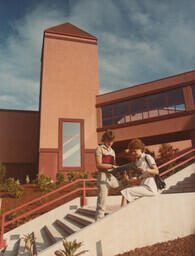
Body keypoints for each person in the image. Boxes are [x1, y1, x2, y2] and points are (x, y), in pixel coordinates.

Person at [121, 138, 159, 207]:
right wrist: (128, 180)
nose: (133, 153)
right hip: (143, 186)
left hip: (150, 188)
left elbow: (156, 171)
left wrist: (146, 170)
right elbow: (139, 179)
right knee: (128, 194)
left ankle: (120, 215)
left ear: (140, 149)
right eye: (132, 151)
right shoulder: (137, 161)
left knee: (126, 192)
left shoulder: (147, 157)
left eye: (135, 151)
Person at [95, 130, 120, 220]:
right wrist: (111, 166)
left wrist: (118, 169)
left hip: (111, 177)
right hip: (103, 177)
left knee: (125, 187)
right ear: (104, 139)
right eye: (108, 140)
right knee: (102, 203)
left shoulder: (113, 151)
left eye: (112, 141)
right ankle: (98, 224)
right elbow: (98, 165)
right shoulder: (99, 149)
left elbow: (114, 165)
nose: (110, 143)